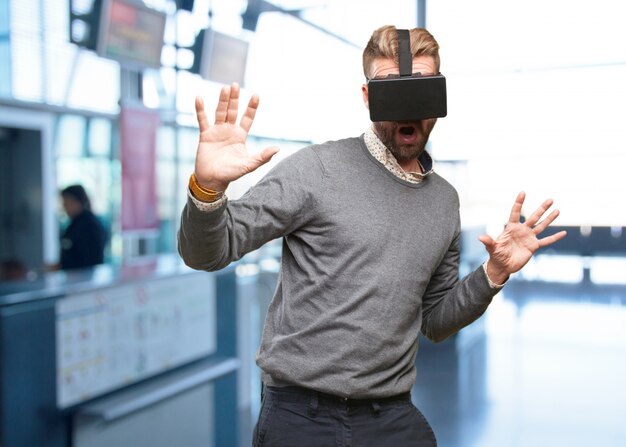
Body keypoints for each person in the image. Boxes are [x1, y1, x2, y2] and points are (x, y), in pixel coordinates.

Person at [178, 25, 566, 447]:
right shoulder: (317, 169)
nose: (407, 108)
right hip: (300, 419)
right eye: (390, 91)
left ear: (439, 98)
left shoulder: (443, 202)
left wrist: (492, 274)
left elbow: (435, 322)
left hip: (393, 416)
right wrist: (208, 189)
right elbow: (208, 253)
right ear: (366, 98)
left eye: (422, 90)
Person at [57, 184, 107, 270]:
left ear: (76, 201)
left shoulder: (89, 226)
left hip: (84, 279)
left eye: (66, 203)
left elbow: (88, 260)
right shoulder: (74, 225)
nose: (64, 208)